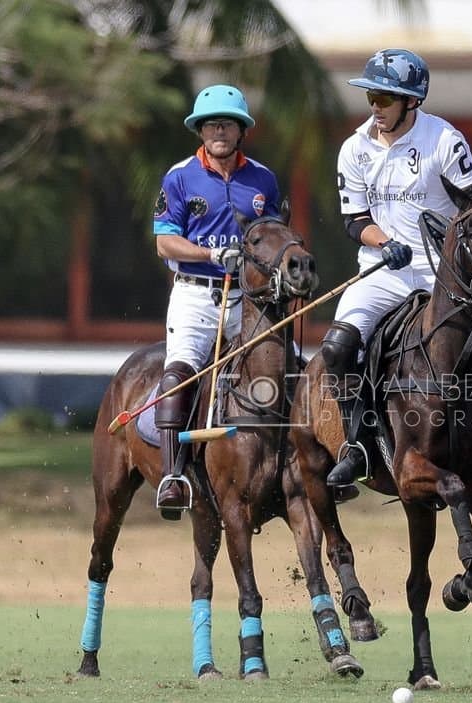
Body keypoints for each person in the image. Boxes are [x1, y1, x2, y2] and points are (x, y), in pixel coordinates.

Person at [322, 48, 472, 489]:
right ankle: (356, 444)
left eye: (383, 98)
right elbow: (355, 220)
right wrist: (385, 243)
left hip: (444, 278)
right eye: (371, 97)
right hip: (383, 272)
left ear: (411, 101)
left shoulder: (445, 142)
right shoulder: (354, 149)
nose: (374, 107)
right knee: (338, 347)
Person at [150, 84, 281, 516]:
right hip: (195, 295)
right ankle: (174, 476)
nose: (219, 130)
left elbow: (273, 238)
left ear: (241, 130)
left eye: (227, 123)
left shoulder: (263, 180)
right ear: (200, 130)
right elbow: (165, 244)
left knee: (291, 366)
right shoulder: (180, 176)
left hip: (247, 298)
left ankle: (303, 464)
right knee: (179, 376)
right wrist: (210, 254)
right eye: (210, 124)